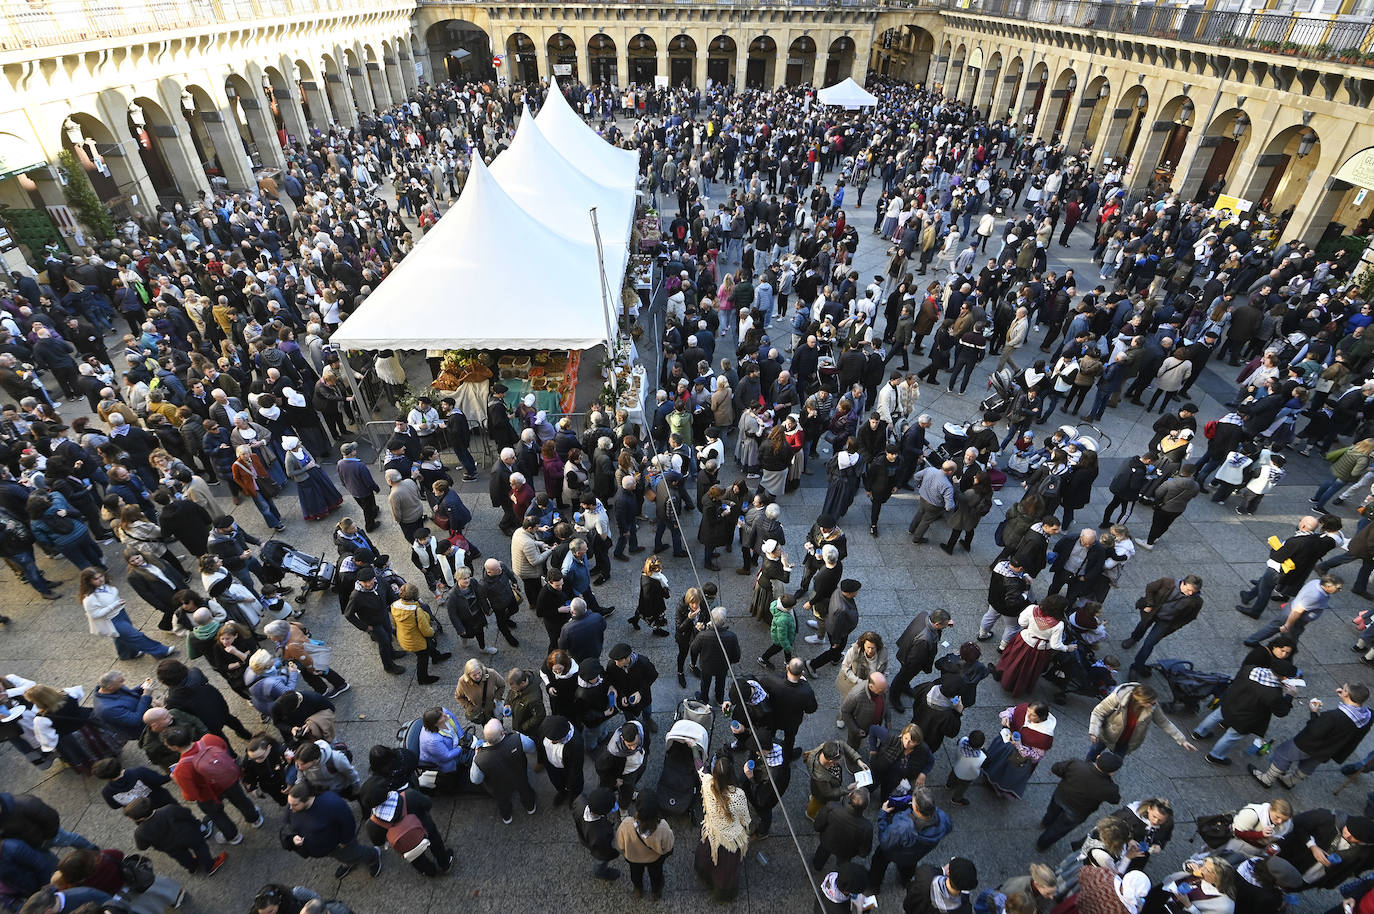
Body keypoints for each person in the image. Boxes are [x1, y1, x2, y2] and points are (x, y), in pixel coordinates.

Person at [1251, 682, 1372, 789]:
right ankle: (1289, 781)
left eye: (1344, 689)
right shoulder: (1368, 715)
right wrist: (1345, 697)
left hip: (1307, 744)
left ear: (1347, 695)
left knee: (1283, 754)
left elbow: (1314, 730)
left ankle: (1267, 779)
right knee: (1309, 765)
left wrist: (1313, 712)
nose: (1341, 689)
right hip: (1329, 750)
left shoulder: (1333, 716)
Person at [161, 725, 264, 845]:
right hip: (228, 781)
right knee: (241, 800)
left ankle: (233, 836)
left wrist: (177, 781)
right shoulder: (209, 739)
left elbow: (191, 795)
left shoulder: (181, 769)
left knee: (218, 815)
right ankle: (255, 819)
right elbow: (226, 750)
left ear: (174, 747)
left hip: (208, 795)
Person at [283, 782, 383, 880]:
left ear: (307, 799)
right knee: (343, 857)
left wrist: (345, 841)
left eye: (294, 805)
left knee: (355, 853)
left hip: (339, 845)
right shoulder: (293, 805)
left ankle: (373, 856)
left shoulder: (332, 804)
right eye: (289, 804)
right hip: (325, 849)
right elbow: (287, 824)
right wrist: (293, 837)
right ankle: (349, 862)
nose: (290, 808)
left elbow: (348, 822)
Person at [868, 787, 953, 893]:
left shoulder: (903, 827)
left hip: (894, 852)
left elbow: (885, 841)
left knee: (879, 861)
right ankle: (905, 881)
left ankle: (874, 885)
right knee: (908, 867)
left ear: (916, 808)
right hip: (916, 855)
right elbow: (949, 828)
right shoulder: (943, 818)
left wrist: (883, 814)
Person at [78, 568, 175, 661]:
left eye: (101, 576)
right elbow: (95, 614)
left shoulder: (105, 586)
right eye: (96, 579)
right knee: (136, 635)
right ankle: (160, 651)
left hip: (121, 613)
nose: (100, 579)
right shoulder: (89, 598)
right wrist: (114, 605)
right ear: (89, 581)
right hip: (111, 620)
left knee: (121, 637)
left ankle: (127, 654)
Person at [1035, 751, 1123, 851]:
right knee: (1059, 829)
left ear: (1098, 757)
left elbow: (1056, 768)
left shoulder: (1076, 764)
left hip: (1060, 796)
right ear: (1112, 772)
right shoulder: (1110, 788)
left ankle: (1045, 823)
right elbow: (1115, 800)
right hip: (1078, 812)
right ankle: (1041, 844)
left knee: (1051, 812)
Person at [1121, 574, 1204, 675]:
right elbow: (1150, 588)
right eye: (1189, 590)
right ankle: (1134, 638)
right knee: (1142, 626)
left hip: (1166, 622)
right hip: (1153, 612)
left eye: (1193, 592)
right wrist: (1150, 604)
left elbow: (1191, 616)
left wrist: (1176, 626)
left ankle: (1136, 666)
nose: (1190, 593)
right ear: (1183, 583)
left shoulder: (1196, 601)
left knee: (1149, 644)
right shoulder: (1167, 582)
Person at [994, 596, 1075, 697]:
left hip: (1023, 641)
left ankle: (1004, 675)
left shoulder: (1032, 608)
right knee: (1028, 670)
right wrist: (1067, 648)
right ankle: (1018, 686)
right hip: (1038, 650)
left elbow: (1022, 622)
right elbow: (1055, 644)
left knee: (1013, 660)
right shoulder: (1058, 624)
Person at [123, 796, 225, 877]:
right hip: (188, 835)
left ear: (138, 819)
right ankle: (210, 866)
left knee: (182, 857)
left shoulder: (140, 832)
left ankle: (192, 867)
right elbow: (186, 813)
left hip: (169, 847)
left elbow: (142, 847)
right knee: (200, 848)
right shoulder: (169, 809)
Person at [695, 756, 750, 902]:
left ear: (714, 773)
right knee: (726, 870)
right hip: (731, 840)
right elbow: (744, 819)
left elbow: (700, 769)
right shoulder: (738, 795)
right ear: (731, 774)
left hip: (712, 833)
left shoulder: (707, 784)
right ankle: (722, 893)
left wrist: (694, 748)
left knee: (707, 858)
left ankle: (706, 876)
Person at [981, 701, 1056, 800]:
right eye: (1028, 712)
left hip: (1017, 759)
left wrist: (1019, 746)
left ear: (1041, 717)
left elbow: (1036, 757)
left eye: (1032, 715)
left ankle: (999, 789)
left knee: (1006, 775)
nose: (1027, 716)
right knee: (994, 762)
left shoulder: (1044, 737)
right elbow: (1011, 711)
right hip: (1005, 743)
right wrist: (1006, 717)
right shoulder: (1024, 709)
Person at [470, 718, 537, 824]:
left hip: (498, 786)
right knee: (525, 791)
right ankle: (530, 808)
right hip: (520, 777)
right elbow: (532, 748)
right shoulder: (517, 739)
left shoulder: (480, 759)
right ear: (503, 732)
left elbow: (475, 780)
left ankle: (507, 817)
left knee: (502, 801)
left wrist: (475, 756)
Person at [616, 790, 675, 900]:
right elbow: (668, 846)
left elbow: (620, 845)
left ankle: (638, 889)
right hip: (654, 859)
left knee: (636, 875)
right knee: (656, 875)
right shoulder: (662, 827)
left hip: (633, 858)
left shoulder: (626, 824)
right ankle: (655, 892)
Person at [389, 582, 450, 685]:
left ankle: (436, 657)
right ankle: (422, 678)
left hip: (404, 637)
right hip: (417, 641)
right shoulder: (417, 611)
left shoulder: (394, 605)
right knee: (422, 657)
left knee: (428, 647)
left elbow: (395, 623)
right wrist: (433, 632)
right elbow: (426, 631)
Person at [281, 436, 343, 521]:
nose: (300, 442)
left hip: (315, 472)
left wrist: (312, 462)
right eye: (298, 442)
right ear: (294, 446)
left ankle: (331, 504)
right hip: (305, 478)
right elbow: (290, 473)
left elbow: (309, 454)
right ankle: (319, 512)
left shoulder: (301, 448)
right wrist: (306, 468)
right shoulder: (289, 458)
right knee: (314, 496)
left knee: (325, 488)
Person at [812, 788, 873, 874]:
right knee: (843, 864)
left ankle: (817, 866)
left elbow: (819, 823)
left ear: (849, 796)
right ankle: (840, 875)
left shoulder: (832, 807)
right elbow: (864, 850)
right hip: (847, 851)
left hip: (827, 841)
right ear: (865, 807)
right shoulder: (867, 827)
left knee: (822, 853)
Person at [690, 607, 741, 704]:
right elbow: (736, 656)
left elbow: (693, 649)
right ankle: (719, 699)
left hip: (706, 665)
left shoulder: (702, 636)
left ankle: (704, 698)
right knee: (721, 683)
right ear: (723, 622)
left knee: (705, 683)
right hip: (723, 666)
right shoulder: (732, 636)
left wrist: (696, 632)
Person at [573, 786, 621, 882]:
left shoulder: (580, 801)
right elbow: (603, 851)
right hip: (598, 849)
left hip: (584, 835)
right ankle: (600, 873)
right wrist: (614, 853)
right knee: (600, 863)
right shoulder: (599, 834)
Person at [905, 857, 980, 914]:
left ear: (948, 872)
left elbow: (926, 869)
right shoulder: (964, 909)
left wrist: (942, 870)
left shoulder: (925, 874)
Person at [336, 442, 382, 531]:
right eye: (354, 449)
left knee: (365, 505)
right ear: (351, 453)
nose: (355, 450)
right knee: (367, 509)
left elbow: (341, 477)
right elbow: (368, 481)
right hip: (364, 492)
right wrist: (376, 488)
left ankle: (374, 511)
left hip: (353, 490)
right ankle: (370, 526)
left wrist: (346, 486)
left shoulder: (340, 463)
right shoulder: (360, 465)